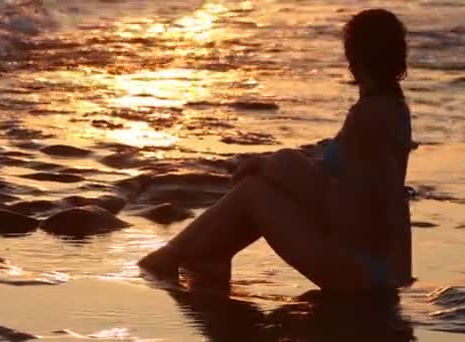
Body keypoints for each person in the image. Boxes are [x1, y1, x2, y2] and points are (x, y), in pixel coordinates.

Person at [138, 8, 413, 292]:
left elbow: (351, 206)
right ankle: (210, 256)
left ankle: (169, 257)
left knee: (253, 192)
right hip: (373, 264)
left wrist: (277, 168)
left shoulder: (367, 117)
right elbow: (353, 187)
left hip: (356, 269)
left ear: (355, 59)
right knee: (265, 176)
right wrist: (276, 167)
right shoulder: (395, 109)